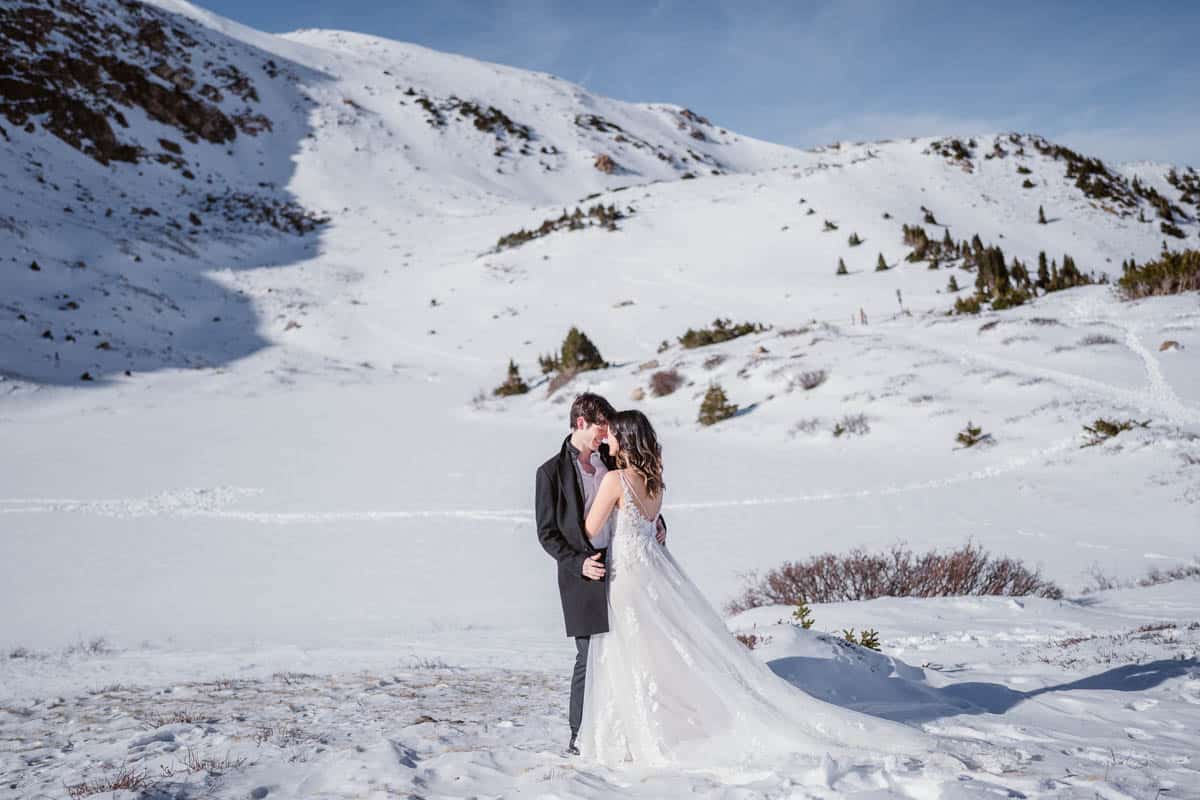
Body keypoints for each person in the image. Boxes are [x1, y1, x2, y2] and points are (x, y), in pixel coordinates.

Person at [576, 409, 928, 767]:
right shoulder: (654, 482)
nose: (609, 441)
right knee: (661, 650)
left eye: (615, 435)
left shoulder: (615, 481)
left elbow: (590, 528)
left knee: (633, 651)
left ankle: (639, 734)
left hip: (629, 577)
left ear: (627, 439)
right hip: (655, 569)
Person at [534, 393, 665, 756]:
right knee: (589, 656)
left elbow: (637, 494)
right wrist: (578, 563)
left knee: (631, 651)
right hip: (586, 571)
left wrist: (656, 523)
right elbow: (547, 534)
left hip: (627, 567)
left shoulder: (611, 459)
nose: (605, 436)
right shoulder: (549, 473)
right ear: (580, 423)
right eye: (600, 428)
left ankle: (631, 728)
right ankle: (579, 737)